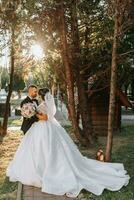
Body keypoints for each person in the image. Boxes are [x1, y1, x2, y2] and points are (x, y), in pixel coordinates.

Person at [6, 88, 130, 198]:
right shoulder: (44, 103)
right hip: (44, 129)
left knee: (44, 150)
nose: (37, 96)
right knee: (41, 150)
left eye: (39, 94)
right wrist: (31, 111)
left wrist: (34, 113)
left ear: (41, 96)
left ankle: (44, 170)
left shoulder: (43, 105)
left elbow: (45, 118)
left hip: (43, 128)